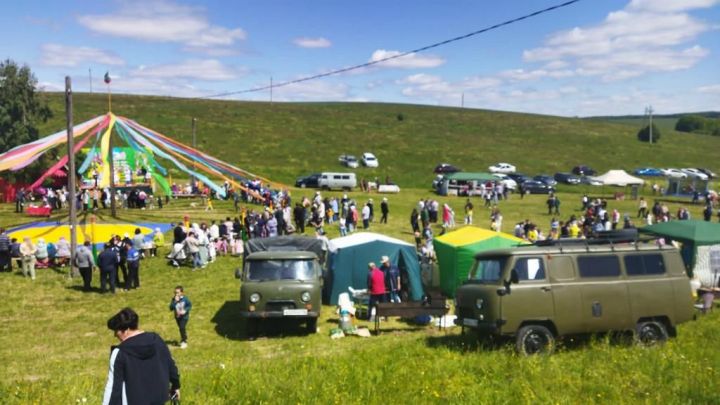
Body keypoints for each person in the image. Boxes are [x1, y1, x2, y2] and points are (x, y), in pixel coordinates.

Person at [103, 307, 180, 405]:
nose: (115, 335)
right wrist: (176, 386)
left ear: (126, 330)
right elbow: (171, 365)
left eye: (116, 331)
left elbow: (113, 388)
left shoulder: (120, 353)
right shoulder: (157, 340)